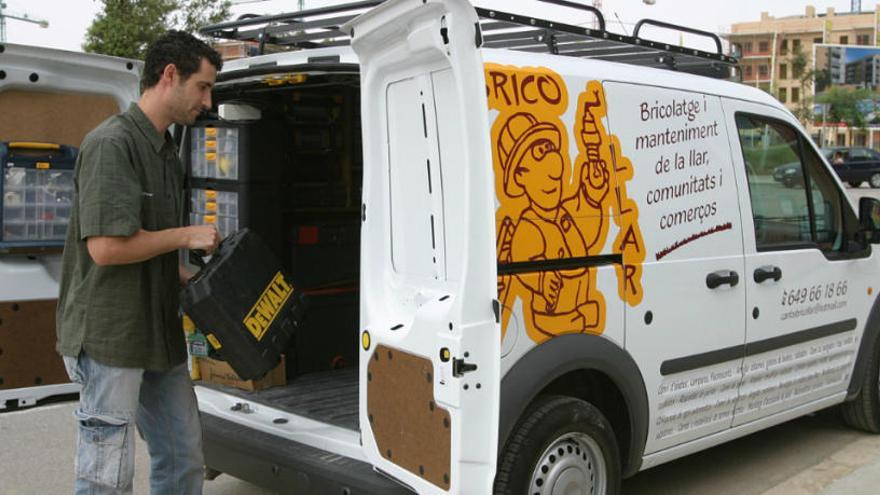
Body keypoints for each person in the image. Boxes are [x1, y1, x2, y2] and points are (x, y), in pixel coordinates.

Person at [55, 31, 222, 495]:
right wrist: (188, 235)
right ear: (171, 75)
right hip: (111, 338)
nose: (207, 102)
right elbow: (107, 248)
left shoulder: (166, 152)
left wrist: (191, 278)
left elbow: (153, 246)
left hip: (158, 334)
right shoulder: (113, 144)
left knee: (183, 457)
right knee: (107, 474)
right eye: (203, 87)